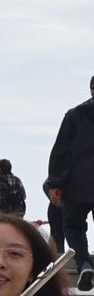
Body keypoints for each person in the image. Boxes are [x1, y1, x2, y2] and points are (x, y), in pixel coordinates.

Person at [46, 75, 94, 277]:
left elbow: (61, 150)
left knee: (74, 226)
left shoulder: (75, 115)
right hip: (78, 184)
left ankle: (84, 264)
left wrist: (55, 183)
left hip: (78, 184)